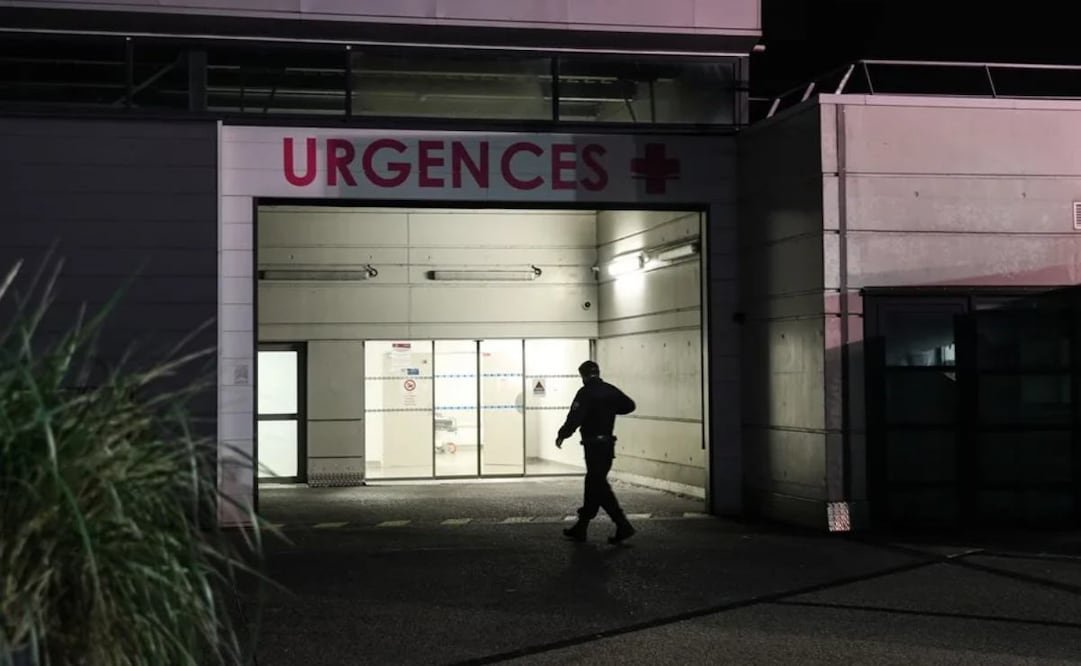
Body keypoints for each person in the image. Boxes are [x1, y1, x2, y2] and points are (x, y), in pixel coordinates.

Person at [556, 360, 637, 544]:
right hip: (608, 445)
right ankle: (581, 527)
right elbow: (629, 406)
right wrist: (609, 409)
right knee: (594, 482)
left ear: (583, 376)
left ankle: (623, 525)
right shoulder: (610, 390)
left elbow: (575, 417)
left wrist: (562, 435)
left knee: (597, 483)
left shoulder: (585, 392)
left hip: (593, 445)